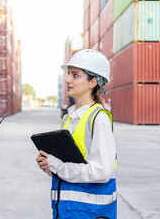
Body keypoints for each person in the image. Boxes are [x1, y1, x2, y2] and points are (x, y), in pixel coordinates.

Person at [36, 49, 117, 219]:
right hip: (66, 211)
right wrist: (49, 166)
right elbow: (69, 166)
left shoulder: (99, 119)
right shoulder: (69, 118)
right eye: (68, 74)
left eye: (75, 75)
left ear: (93, 82)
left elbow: (102, 172)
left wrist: (56, 165)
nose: (67, 80)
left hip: (90, 213)